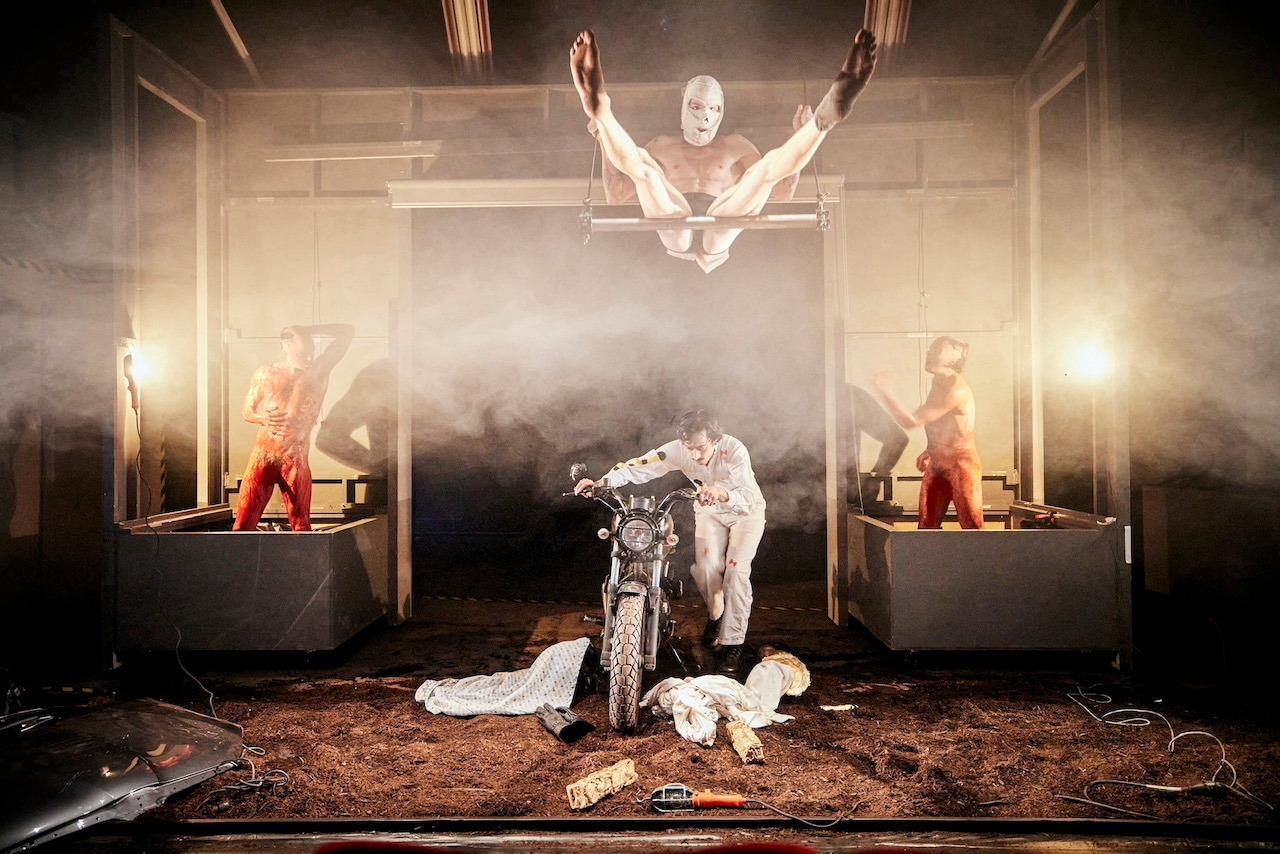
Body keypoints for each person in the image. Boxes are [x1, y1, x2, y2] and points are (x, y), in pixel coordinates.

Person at [570, 26, 877, 273]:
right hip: (673, 218)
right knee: (647, 172)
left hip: (722, 220)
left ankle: (823, 121)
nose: (704, 117)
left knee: (763, 170)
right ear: (683, 107)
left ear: (721, 112)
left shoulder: (736, 146)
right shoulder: (661, 146)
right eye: (696, 106)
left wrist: (800, 135)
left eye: (712, 109)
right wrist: (602, 137)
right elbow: (616, 194)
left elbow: (782, 191)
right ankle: (601, 109)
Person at [575, 410, 765, 676]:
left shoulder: (733, 449)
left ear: (714, 438)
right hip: (709, 511)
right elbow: (640, 465)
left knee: (735, 571)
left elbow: (746, 494)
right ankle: (717, 616)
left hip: (745, 513)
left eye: (701, 448)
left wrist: (720, 492)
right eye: (689, 448)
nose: (695, 455)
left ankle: (733, 644)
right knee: (707, 570)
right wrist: (600, 483)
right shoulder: (678, 450)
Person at [233, 324, 354, 532]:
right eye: (303, 349)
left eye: (310, 349)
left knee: (301, 525)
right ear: (286, 345)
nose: (309, 355)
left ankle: (302, 556)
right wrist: (263, 418)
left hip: (294, 456)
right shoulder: (266, 373)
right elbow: (247, 411)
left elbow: (347, 332)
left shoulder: (317, 371)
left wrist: (308, 330)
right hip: (263, 454)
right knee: (242, 525)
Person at [873, 336, 984, 530]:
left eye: (937, 349)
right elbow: (942, 421)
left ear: (956, 356)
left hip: (961, 465)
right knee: (926, 527)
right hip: (937, 463)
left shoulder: (955, 389)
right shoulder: (939, 381)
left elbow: (911, 421)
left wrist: (885, 393)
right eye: (931, 348)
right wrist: (930, 447)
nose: (929, 353)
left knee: (973, 527)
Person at [849, 383, 908, 507]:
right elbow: (897, 438)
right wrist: (876, 478)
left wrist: (875, 478)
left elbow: (897, 438)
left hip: (842, 500)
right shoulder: (851, 395)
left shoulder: (851, 396)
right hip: (840, 498)